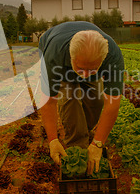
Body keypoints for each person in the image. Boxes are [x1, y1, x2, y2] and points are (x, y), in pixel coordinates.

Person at [38, 21, 124, 176]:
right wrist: (52, 140)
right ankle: (76, 146)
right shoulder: (55, 55)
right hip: (57, 56)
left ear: (102, 60)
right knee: (70, 98)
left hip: (83, 58)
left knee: (96, 100)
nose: (84, 75)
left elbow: (112, 105)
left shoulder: (113, 57)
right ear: (72, 56)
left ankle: (87, 134)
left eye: (92, 69)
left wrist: (98, 143)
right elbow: (49, 101)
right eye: (80, 69)